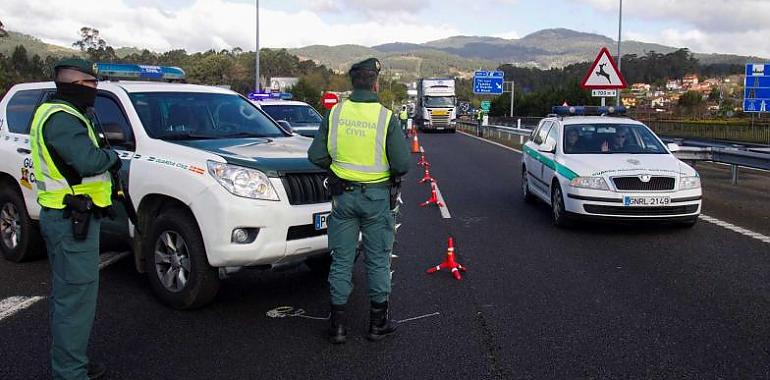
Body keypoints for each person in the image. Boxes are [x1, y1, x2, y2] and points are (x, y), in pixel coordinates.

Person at [308, 58, 410, 344]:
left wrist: (338, 168)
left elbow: (315, 155)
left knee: (341, 260)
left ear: (352, 82)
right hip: (377, 199)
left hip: (343, 197)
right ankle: (377, 325)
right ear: (375, 82)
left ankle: (338, 327)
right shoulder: (386, 117)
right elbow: (402, 164)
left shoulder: (335, 114)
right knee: (377, 260)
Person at [30, 58, 120, 380]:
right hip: (71, 222)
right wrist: (113, 157)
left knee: (67, 298)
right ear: (74, 83)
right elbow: (87, 160)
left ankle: (72, 362)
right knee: (76, 303)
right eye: (92, 84)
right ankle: (70, 372)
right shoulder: (63, 118)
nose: (95, 89)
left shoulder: (54, 111)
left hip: (64, 217)